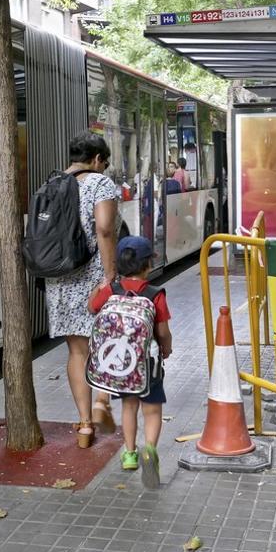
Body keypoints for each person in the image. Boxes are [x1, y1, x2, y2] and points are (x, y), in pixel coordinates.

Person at [44, 132, 120, 447]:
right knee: (104, 342)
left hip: (59, 277)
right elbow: (104, 228)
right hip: (92, 276)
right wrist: (110, 274)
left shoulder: (52, 183)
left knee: (77, 350)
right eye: (105, 162)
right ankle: (103, 400)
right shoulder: (101, 184)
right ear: (98, 159)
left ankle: (86, 425)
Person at [88, 235, 172, 489]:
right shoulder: (154, 294)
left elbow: (92, 307)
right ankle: (150, 450)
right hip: (148, 366)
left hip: (123, 368)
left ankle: (129, 454)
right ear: (147, 266)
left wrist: (103, 284)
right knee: (153, 409)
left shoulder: (111, 291)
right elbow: (163, 332)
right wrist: (166, 349)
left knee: (128, 407)